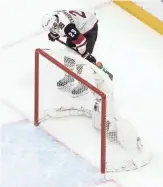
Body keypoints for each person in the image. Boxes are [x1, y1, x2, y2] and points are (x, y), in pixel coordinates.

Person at [41, 10, 98, 97]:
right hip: (77, 27)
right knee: (68, 54)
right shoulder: (55, 18)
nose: (52, 29)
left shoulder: (67, 27)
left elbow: (81, 41)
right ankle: (69, 76)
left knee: (81, 60)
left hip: (89, 28)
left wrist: (84, 53)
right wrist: (54, 34)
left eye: (53, 28)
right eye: (51, 29)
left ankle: (83, 84)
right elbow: (58, 27)